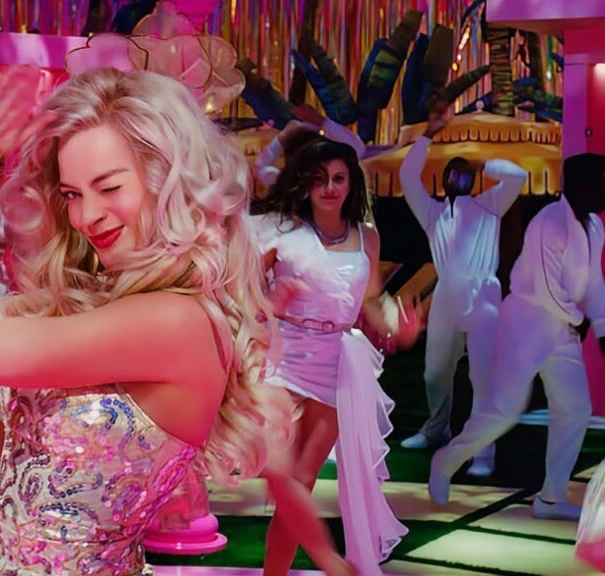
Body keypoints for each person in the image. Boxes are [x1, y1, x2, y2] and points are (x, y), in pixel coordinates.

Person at [0, 63, 353, 576]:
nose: (87, 216)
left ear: (166, 180)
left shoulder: (177, 321)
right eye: (73, 194)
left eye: (109, 188)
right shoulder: (101, 302)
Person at [252, 137, 421, 575]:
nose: (329, 188)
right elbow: (243, 296)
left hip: (335, 361)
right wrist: (273, 302)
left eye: (339, 179)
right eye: (320, 178)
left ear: (351, 184)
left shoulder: (367, 237)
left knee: (302, 482)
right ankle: (331, 563)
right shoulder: (279, 230)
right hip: (280, 356)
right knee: (279, 470)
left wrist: (398, 329)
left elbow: (371, 304)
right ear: (304, 182)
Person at [429, 152, 605, 522]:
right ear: (580, 185)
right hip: (526, 324)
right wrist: (580, 319)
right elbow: (546, 287)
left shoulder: (594, 227)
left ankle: (551, 498)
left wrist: (601, 324)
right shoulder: (548, 221)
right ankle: (445, 462)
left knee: (575, 409)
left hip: (562, 329)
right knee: (502, 412)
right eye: (601, 182)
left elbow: (593, 282)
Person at [398, 103, 526, 481]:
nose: (458, 176)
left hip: (483, 295)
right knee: (435, 373)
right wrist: (427, 135)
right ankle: (436, 428)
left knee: (482, 376)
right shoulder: (432, 212)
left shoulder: (490, 204)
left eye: (464, 172)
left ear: (473, 180)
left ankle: (483, 450)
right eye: (452, 171)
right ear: (443, 180)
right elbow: (407, 176)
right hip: (446, 297)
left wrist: (485, 165)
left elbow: (517, 176)